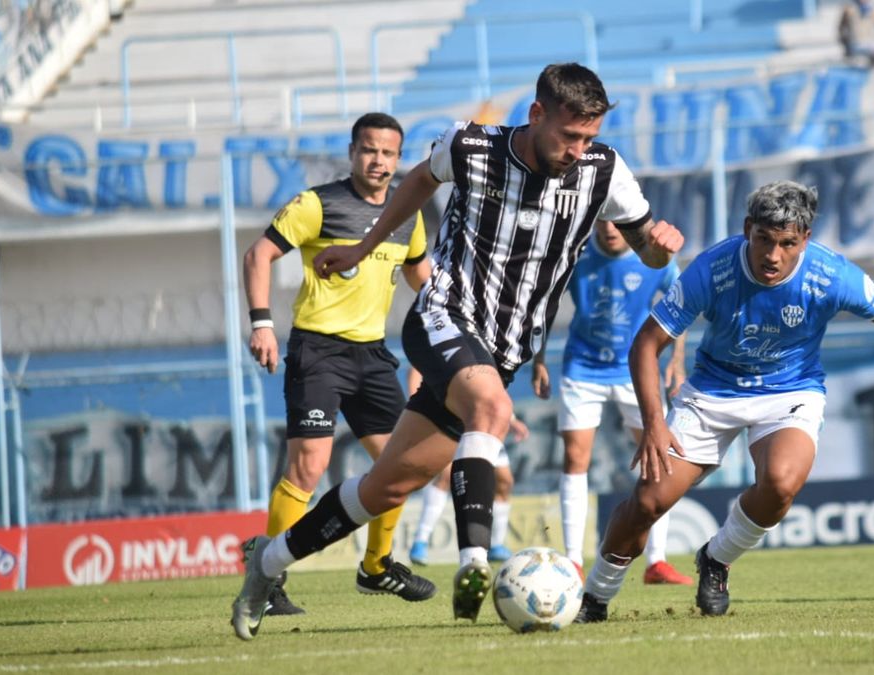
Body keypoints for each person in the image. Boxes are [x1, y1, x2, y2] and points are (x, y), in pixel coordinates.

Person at [230, 62, 684, 641]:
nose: (578, 149)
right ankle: (474, 566)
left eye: (588, 138)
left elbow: (647, 250)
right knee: (490, 410)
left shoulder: (605, 170)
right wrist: (366, 247)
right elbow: (419, 181)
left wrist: (661, 248)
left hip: (507, 346)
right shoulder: (471, 144)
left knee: (385, 487)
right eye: (570, 136)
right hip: (445, 313)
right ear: (537, 114)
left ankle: (265, 565)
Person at [573, 181, 874, 622]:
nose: (773, 255)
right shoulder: (713, 269)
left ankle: (716, 560)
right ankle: (596, 596)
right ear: (748, 229)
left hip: (789, 391)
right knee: (649, 502)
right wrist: (654, 425)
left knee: (782, 483)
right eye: (764, 239)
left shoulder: (832, 275)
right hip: (711, 391)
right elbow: (646, 346)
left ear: (805, 238)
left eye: (788, 243)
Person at [241, 112, 436, 616]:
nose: (378, 161)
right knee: (310, 464)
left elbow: (423, 278)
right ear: (352, 152)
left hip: (373, 356)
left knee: (403, 464)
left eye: (388, 153)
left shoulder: (407, 214)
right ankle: (269, 576)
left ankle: (376, 568)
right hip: (319, 351)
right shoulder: (317, 204)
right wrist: (262, 323)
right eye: (369, 150)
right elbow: (259, 255)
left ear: (398, 159)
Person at [531, 219, 690, 584]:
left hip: (636, 369)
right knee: (575, 458)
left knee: (660, 456)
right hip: (582, 368)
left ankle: (657, 562)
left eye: (619, 220)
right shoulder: (575, 254)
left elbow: (680, 305)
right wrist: (538, 360)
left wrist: (677, 364)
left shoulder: (656, 258)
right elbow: (544, 306)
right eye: (603, 219)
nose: (610, 227)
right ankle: (573, 561)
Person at [408, 414, 529, 566]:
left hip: (487, 426)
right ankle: (421, 541)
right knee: (446, 475)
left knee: (504, 481)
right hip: (454, 419)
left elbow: (494, 390)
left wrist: (510, 419)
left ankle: (496, 545)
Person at [838, 0, 874, 67]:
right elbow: (841, 30)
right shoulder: (849, 10)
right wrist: (846, 47)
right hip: (856, 45)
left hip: (872, 43)